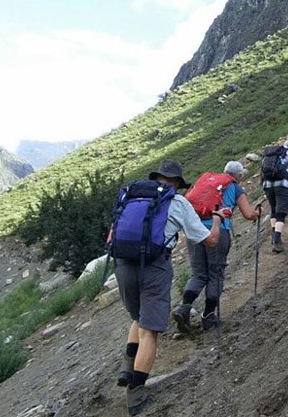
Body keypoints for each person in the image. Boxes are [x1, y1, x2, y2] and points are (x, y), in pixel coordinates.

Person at [115, 159, 221, 416]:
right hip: (155, 266)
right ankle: (136, 394)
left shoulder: (131, 198)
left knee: (137, 317)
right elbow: (209, 241)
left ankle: (127, 369)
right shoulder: (178, 202)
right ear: (175, 183)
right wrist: (218, 219)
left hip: (123, 264)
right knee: (150, 331)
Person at [173, 160, 260, 333]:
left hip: (195, 231)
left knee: (198, 273)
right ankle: (209, 317)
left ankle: (184, 309)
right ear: (240, 176)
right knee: (215, 273)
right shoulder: (235, 187)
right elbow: (248, 214)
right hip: (217, 230)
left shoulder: (209, 181)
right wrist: (257, 213)